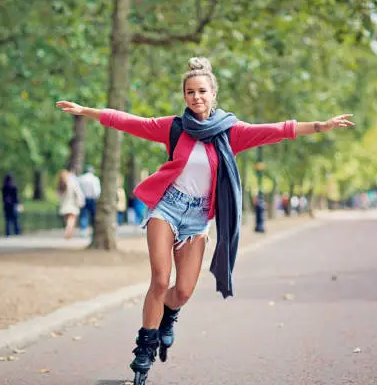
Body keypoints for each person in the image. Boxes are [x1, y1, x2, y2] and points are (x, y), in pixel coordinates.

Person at [56, 56, 354, 384]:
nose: (195, 97)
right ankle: (145, 348)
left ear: (213, 94)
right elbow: (130, 121)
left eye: (201, 91)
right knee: (159, 279)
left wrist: (320, 126)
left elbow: (276, 131)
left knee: (182, 291)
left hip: (197, 219)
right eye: (189, 92)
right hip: (166, 209)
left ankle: (169, 316)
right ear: (184, 96)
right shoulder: (174, 128)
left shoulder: (231, 133)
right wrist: (86, 112)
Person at [57, 169, 85, 239]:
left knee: (68, 219)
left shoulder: (60, 184)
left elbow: (58, 196)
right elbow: (78, 193)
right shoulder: (72, 183)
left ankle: (68, 230)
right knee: (72, 219)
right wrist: (80, 201)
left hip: (64, 204)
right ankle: (68, 230)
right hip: (72, 204)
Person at [77, 165, 101, 235]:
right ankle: (94, 228)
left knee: (83, 214)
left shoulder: (81, 178)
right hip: (92, 199)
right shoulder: (94, 179)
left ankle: (83, 230)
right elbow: (96, 190)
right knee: (93, 214)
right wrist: (97, 197)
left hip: (83, 198)